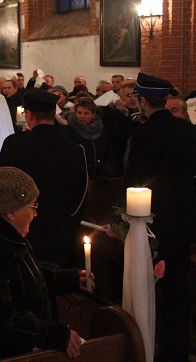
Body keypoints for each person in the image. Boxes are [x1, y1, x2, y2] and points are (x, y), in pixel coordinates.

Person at [0, 167, 89, 361]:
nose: (35, 214)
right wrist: (49, 334)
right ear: (11, 211)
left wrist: (66, 279)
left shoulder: (1, 231)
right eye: (33, 206)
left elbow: (19, 278)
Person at [124, 73, 196, 362]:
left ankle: (143, 343)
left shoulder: (144, 133)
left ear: (142, 101)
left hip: (151, 223)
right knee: (178, 287)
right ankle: (176, 350)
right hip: (184, 220)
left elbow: (134, 180)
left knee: (146, 284)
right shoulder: (189, 131)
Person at [0, 88, 88, 269]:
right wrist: (68, 228)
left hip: (22, 231)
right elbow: (81, 196)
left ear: (28, 114)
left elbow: (1, 186)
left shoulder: (15, 144)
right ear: (53, 114)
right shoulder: (75, 149)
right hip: (60, 231)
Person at [62, 98, 115, 181]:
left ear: (93, 115)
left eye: (86, 113)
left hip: (98, 177)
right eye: (79, 113)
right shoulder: (69, 129)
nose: (82, 116)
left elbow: (108, 153)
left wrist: (105, 173)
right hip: (76, 178)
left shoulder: (100, 130)